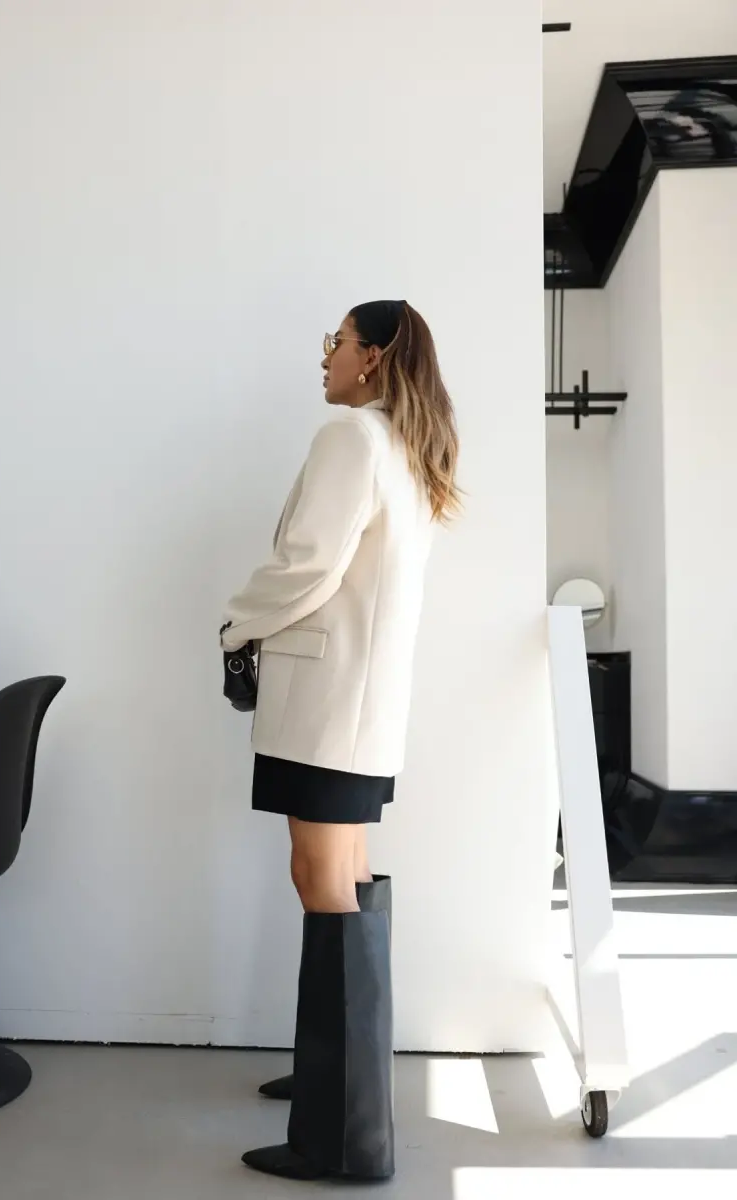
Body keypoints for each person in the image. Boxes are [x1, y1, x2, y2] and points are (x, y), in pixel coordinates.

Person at [220, 299, 460, 1182]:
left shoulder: (352, 439)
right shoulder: (405, 445)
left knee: (322, 880)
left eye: (339, 343)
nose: (326, 357)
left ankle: (343, 1137)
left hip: (327, 698)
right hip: (362, 701)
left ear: (374, 356)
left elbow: (309, 564)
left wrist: (236, 624)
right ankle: (337, 1073)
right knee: (345, 876)